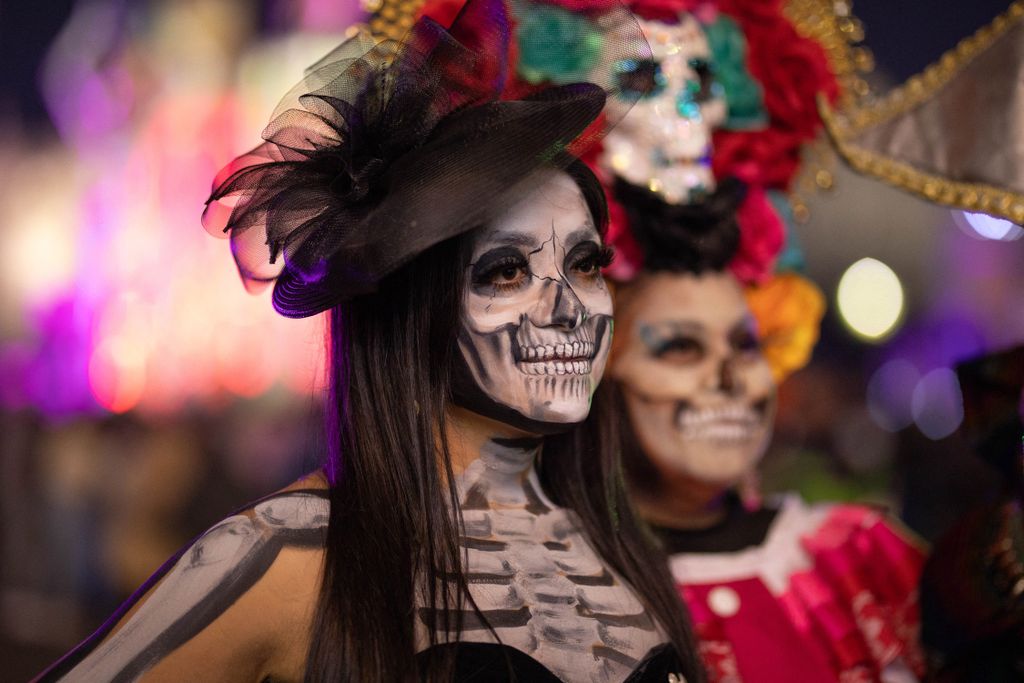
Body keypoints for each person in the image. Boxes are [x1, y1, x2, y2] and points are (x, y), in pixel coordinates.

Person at [36, 0, 703, 680]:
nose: (568, 308)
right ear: (415, 309)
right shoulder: (297, 553)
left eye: (586, 264)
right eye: (507, 271)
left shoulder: (628, 551)